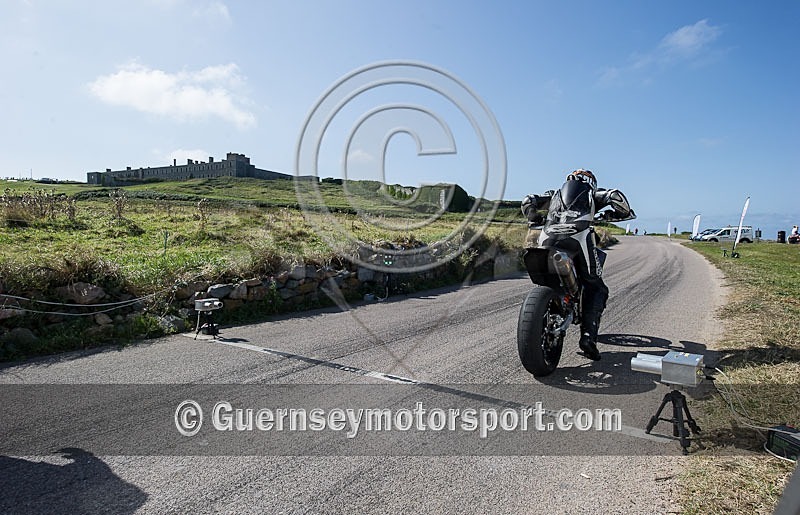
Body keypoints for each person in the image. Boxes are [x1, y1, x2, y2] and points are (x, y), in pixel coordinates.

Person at [521, 169, 635, 360]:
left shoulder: (554, 195)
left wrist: (534, 218)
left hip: (547, 238)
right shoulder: (591, 194)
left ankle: (557, 305)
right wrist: (620, 213)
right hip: (577, 237)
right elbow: (615, 196)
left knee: (547, 281)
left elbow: (528, 201)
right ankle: (588, 337)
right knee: (596, 286)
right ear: (591, 181)